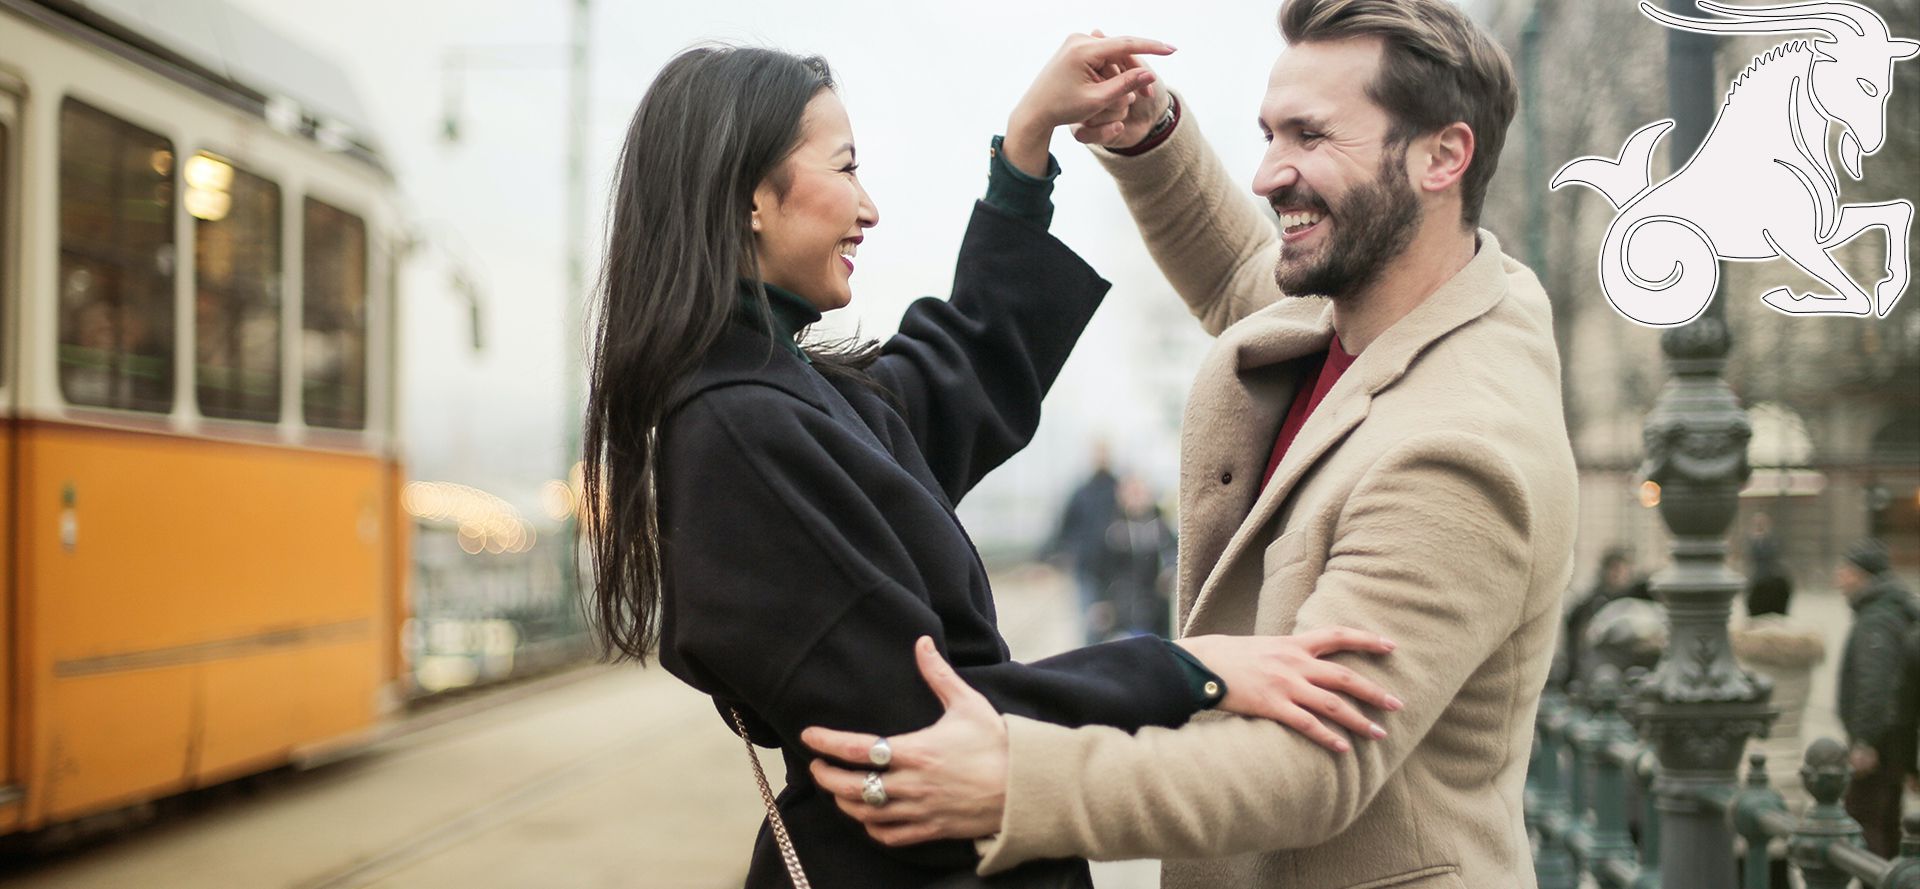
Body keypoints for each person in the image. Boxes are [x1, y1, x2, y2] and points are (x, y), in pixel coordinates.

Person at [581, 43, 1405, 888]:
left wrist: (1027, 149)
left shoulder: (774, 396)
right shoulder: (740, 428)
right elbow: (943, 722)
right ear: (753, 195)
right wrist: (1191, 671)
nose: (868, 208)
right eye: (846, 167)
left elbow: (952, 377)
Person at [802, 2, 1579, 886]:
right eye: (1268, 132)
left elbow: (1310, 761)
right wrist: (1150, 134)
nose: (1267, 172)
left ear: (1444, 155)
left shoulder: (1458, 447)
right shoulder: (1370, 310)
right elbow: (1246, 274)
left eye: (1311, 137)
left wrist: (1020, 776)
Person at [1836, 538, 1919, 858]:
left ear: (1863, 575)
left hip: (1880, 743)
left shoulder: (1877, 619)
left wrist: (1864, 741)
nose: (1839, 578)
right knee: (1885, 821)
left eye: (1845, 571)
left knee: (1863, 819)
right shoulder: (1886, 609)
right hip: (1894, 737)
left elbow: (1876, 684)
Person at [1047, 443, 1123, 643]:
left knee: (1117, 621)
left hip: (1117, 569)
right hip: (1086, 567)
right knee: (1092, 622)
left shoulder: (1120, 489)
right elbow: (1064, 527)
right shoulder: (1081, 492)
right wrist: (1047, 556)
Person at [1099, 474, 1177, 639]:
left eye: (1141, 492)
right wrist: (1103, 602)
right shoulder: (1113, 531)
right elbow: (1102, 570)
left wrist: (1169, 572)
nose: (1137, 498)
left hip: (1157, 610)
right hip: (1123, 612)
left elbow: (1173, 556)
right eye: (1132, 493)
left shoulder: (1161, 527)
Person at [1744, 512, 1793, 617]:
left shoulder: (1772, 539)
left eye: (1761, 523)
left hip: (1771, 575)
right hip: (1757, 576)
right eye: (1757, 523)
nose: (1759, 525)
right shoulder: (1751, 539)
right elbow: (1751, 556)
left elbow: (1774, 553)